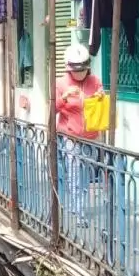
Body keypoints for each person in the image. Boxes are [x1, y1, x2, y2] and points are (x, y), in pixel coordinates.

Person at [54, 44, 105, 217]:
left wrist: (100, 97)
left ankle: (79, 205)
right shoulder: (61, 83)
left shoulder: (95, 81)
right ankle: (79, 211)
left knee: (85, 176)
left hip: (91, 136)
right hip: (71, 137)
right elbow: (52, 109)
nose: (80, 73)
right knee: (75, 173)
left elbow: (100, 103)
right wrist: (64, 97)